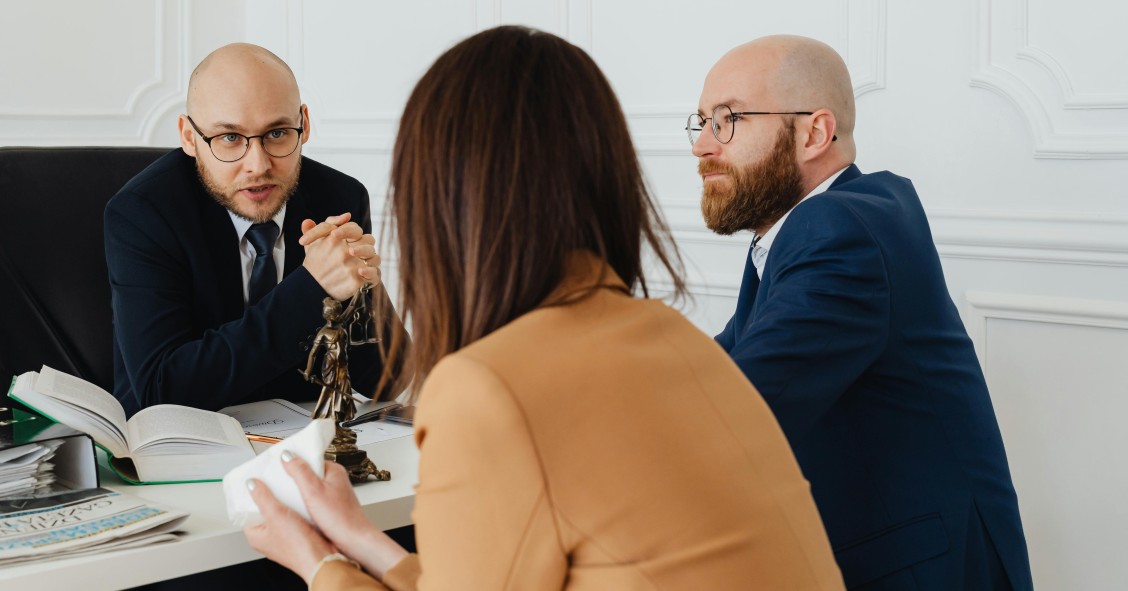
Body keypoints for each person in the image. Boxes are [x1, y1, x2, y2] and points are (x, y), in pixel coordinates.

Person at [242, 26, 845, 591]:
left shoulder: (487, 389)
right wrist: (358, 539)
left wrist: (318, 564)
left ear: (443, 199)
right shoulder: (675, 338)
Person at [689, 35, 1033, 590]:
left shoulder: (837, 228)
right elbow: (714, 367)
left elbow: (738, 408)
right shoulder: (809, 228)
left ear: (814, 133)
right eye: (702, 121)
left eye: (728, 119)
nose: (703, 145)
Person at [104, 43, 401, 416]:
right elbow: (161, 389)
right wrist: (311, 288)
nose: (258, 165)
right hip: (179, 442)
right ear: (189, 137)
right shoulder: (144, 213)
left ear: (304, 125)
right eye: (230, 138)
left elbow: (389, 379)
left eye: (277, 133)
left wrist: (360, 288)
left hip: (300, 435)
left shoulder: (340, 197)